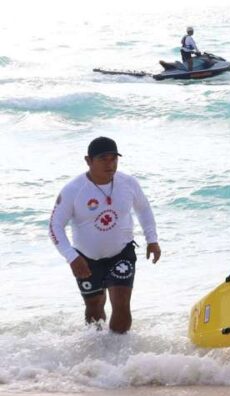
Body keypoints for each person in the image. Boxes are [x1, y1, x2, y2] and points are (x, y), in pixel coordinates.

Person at [49, 137, 161, 333]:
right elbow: (55, 226)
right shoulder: (73, 190)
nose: (110, 164)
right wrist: (72, 257)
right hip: (85, 259)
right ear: (88, 160)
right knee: (94, 306)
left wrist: (152, 240)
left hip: (122, 253)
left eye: (114, 159)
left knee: (121, 303)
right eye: (103, 159)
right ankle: (98, 352)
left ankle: (119, 354)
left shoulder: (128, 183)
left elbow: (143, 209)